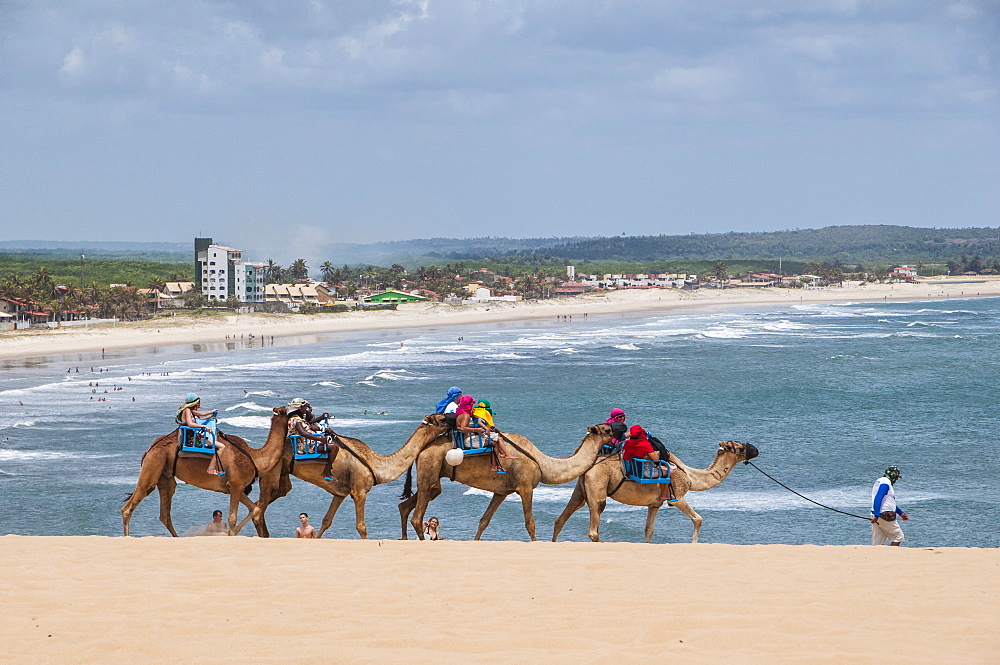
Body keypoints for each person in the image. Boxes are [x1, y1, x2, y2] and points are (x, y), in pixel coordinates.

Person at [286, 398, 340, 482]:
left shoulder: (298, 419)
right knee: (334, 447)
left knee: (332, 445)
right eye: (305, 406)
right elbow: (304, 433)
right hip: (306, 447)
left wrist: (324, 429)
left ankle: (327, 470)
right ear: (299, 408)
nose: (306, 408)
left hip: (309, 444)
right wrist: (320, 439)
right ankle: (327, 472)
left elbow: (310, 427)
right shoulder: (296, 420)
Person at [622, 424, 676, 503]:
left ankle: (665, 493)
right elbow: (656, 458)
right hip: (646, 472)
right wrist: (657, 453)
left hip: (634, 470)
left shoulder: (628, 443)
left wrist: (642, 457)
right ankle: (665, 494)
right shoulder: (645, 444)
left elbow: (625, 457)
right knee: (671, 472)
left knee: (664, 470)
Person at [176, 393, 224, 475]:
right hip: (193, 437)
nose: (199, 404)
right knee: (222, 447)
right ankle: (211, 469)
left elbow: (200, 415)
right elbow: (190, 424)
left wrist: (211, 413)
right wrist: (204, 426)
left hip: (194, 435)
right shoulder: (187, 410)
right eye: (198, 402)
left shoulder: (190, 410)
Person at [871, 465, 909, 546]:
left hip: (877, 514)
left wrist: (900, 513)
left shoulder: (879, 481)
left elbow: (888, 501)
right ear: (892, 476)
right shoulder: (885, 483)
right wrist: (877, 515)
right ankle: (890, 555)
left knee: (878, 542)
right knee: (898, 537)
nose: (897, 479)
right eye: (896, 477)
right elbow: (878, 498)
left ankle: (877, 557)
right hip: (884, 515)